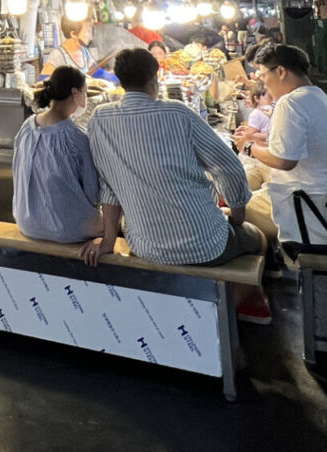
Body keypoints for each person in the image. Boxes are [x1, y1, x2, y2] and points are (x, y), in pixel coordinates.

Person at [85, 49, 270, 323]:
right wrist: (238, 215)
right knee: (259, 239)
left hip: (145, 246)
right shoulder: (177, 112)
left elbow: (108, 186)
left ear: (120, 81)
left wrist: (109, 240)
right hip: (205, 245)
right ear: (154, 78)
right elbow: (229, 167)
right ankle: (231, 314)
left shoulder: (99, 119)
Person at [235, 43, 327, 261]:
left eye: (263, 76)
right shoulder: (319, 97)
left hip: (317, 213)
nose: (263, 84)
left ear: (281, 71)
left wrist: (249, 147)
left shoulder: (290, 102)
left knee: (232, 208)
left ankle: (261, 268)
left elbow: (284, 160)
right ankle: (269, 262)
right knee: (252, 174)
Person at [12, 67, 101, 243]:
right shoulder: (77, 137)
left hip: (27, 223)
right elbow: (94, 194)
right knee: (117, 224)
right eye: (85, 92)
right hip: (67, 228)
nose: (85, 98)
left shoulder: (27, 127)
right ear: (75, 93)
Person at [233, 80, 277, 190]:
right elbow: (251, 135)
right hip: (257, 157)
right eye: (269, 97)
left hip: (266, 155)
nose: (272, 100)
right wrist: (267, 135)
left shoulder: (274, 111)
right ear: (257, 99)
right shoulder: (256, 114)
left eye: (273, 97)